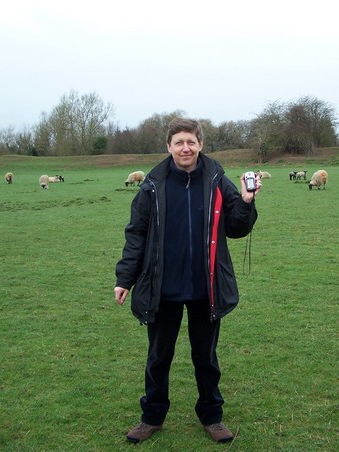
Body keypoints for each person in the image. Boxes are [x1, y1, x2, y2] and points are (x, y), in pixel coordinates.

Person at [114, 118, 261, 444]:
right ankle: (152, 416)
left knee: (205, 357)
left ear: (200, 145)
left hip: (205, 288)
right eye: (179, 142)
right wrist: (125, 278)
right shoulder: (152, 185)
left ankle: (212, 416)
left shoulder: (217, 180)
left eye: (191, 142)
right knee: (158, 357)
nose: (185, 148)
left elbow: (236, 227)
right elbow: (136, 234)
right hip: (162, 288)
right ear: (169, 146)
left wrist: (247, 202)